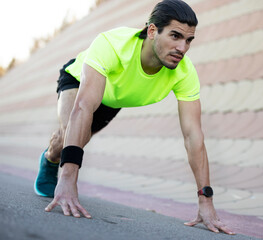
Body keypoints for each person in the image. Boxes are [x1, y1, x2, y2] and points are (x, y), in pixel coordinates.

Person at [34, 0, 234, 235]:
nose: (182, 47)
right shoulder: (112, 44)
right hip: (79, 81)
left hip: (113, 98)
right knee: (69, 136)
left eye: (188, 40)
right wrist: (68, 178)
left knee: (80, 137)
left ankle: (59, 155)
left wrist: (206, 200)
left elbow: (193, 136)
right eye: (175, 36)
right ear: (152, 31)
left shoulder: (184, 73)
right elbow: (84, 107)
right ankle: (51, 159)